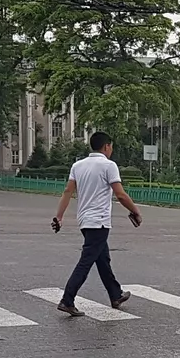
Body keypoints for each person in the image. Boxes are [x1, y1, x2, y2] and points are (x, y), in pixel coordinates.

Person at [50, 131, 142, 316]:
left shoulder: (78, 165)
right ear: (106, 146)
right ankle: (67, 300)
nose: (111, 150)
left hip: (85, 220)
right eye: (111, 146)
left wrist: (59, 217)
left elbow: (68, 192)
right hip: (99, 221)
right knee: (86, 261)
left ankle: (116, 294)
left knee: (102, 259)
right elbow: (120, 194)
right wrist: (135, 211)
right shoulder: (109, 165)